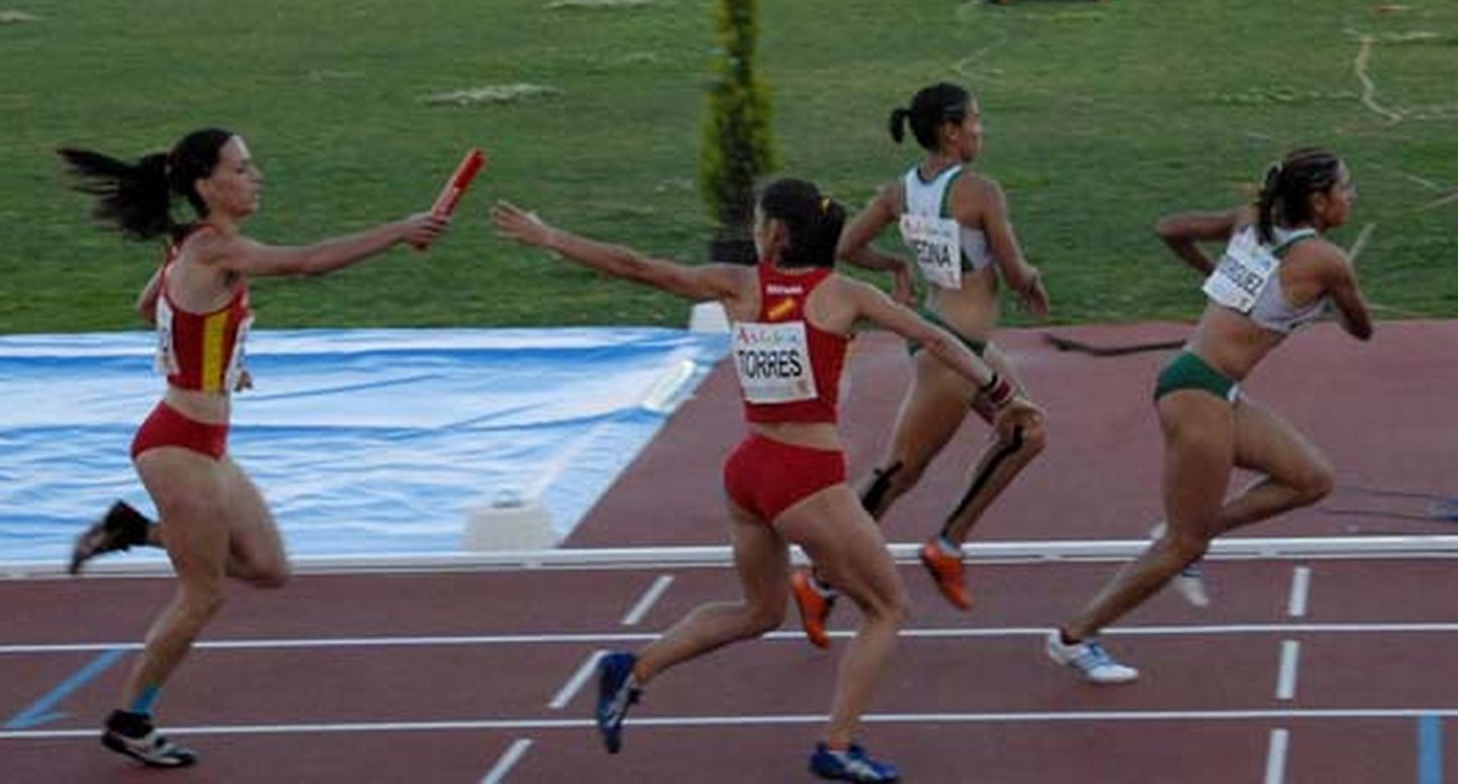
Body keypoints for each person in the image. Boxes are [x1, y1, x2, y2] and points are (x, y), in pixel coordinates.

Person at [492, 178, 1039, 783]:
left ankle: (634, 669)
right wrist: (1002, 393)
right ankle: (837, 744)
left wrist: (548, 237)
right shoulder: (844, 295)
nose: (753, 230)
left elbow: (635, 266)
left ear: (776, 233)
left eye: (757, 221)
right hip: (805, 479)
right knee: (888, 605)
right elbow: (936, 337)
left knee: (760, 611)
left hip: (748, 472)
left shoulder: (739, 285)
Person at [59, 129, 447, 767]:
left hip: (204, 439)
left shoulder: (189, 246)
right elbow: (307, 262)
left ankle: (133, 530)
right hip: (176, 444)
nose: (257, 176)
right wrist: (401, 228)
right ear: (208, 185)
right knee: (202, 594)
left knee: (269, 568)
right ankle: (131, 718)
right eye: (243, 168)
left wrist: (210, 354)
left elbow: (147, 304)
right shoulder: (215, 249)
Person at [1046, 147, 1372, 684]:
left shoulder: (1251, 221)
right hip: (1198, 394)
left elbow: (1170, 228)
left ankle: (1193, 529)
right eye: (1346, 187)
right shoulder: (1326, 262)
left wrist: (1220, 275)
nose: (1352, 196)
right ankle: (1074, 637)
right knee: (1182, 545)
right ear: (1318, 201)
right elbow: (1363, 330)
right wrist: (1334, 304)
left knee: (1311, 478)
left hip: (1210, 388)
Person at [793, 82, 1048, 645]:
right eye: (976, 120)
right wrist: (1031, 280)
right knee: (898, 472)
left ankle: (947, 543)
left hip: (952, 338)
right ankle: (820, 579)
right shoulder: (981, 190)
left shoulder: (899, 191)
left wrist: (896, 267)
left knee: (1026, 433)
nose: (983, 128)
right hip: (949, 348)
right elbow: (1010, 268)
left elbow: (847, 247)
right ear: (950, 131)